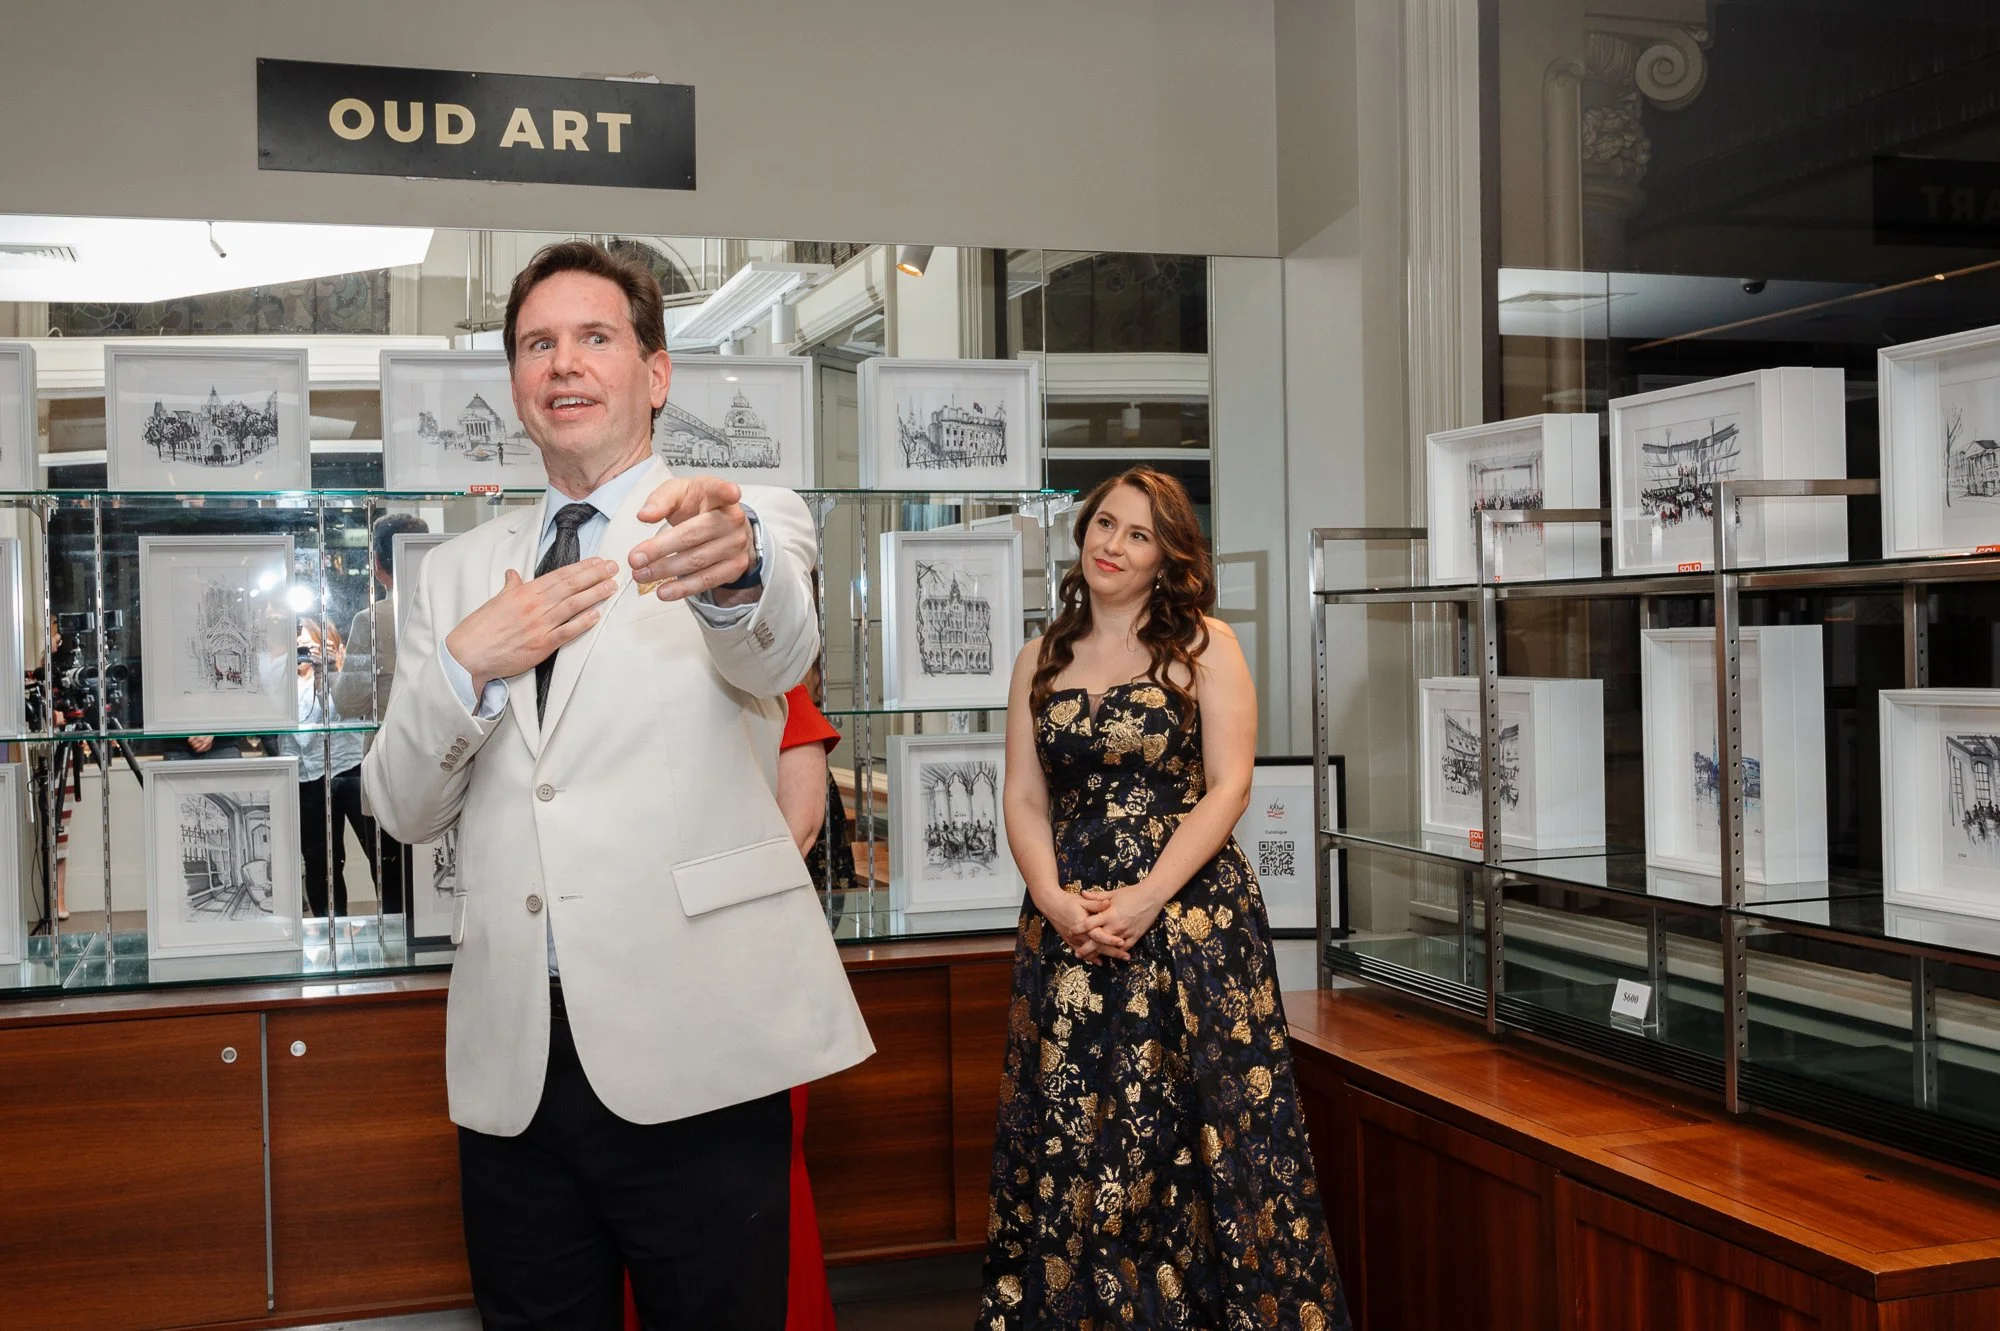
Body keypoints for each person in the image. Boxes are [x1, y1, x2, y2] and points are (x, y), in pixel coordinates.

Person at [362, 240, 872, 1331]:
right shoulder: (451, 574)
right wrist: (464, 667)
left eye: (595, 337)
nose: (564, 363)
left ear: (655, 372)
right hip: (515, 1066)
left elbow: (776, 649)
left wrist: (734, 575)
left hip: (700, 1042)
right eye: (536, 343)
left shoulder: (741, 518)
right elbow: (400, 806)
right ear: (515, 382)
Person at [977, 467, 1351, 1329]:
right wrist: (1053, 898)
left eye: (1138, 534)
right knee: (1075, 1136)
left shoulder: (1207, 646)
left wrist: (1144, 899)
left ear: (1167, 557)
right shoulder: (1040, 656)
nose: (1112, 544)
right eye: (1104, 523)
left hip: (1187, 928)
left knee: (1192, 1139)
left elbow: (1230, 787)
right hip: (1069, 933)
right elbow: (1023, 796)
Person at [332, 511, 432, 915]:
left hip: (392, 768)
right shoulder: (459, 609)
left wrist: (339, 666)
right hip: (450, 761)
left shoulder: (372, 620)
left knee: (395, 889)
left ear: (377, 565)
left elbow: (346, 702)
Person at [274, 618, 383, 919]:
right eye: (300, 648)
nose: (306, 654)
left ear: (332, 647)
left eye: (313, 648)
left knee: (377, 850)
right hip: (305, 777)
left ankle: (393, 917)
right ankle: (329, 926)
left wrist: (329, 670)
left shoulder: (343, 676)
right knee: (320, 862)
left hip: (349, 770)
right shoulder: (282, 682)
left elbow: (345, 708)